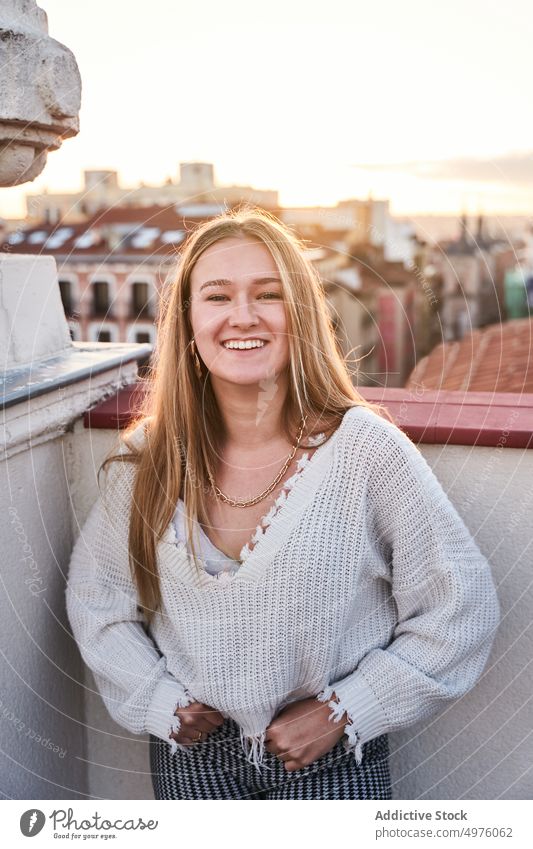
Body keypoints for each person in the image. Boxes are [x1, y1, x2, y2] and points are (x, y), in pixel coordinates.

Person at [66, 205, 501, 800]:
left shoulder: (365, 451)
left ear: (299, 313)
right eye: (217, 297)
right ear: (188, 322)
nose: (242, 316)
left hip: (331, 755)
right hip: (192, 759)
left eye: (267, 294)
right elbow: (98, 599)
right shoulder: (149, 457)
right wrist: (158, 700)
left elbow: (461, 604)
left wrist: (348, 710)